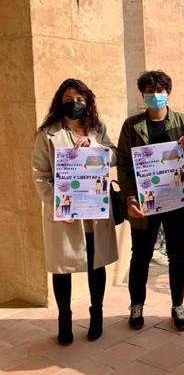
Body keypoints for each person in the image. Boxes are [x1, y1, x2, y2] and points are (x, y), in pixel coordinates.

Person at [32, 78, 119, 345]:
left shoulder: (96, 128)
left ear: (88, 102)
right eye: (69, 99)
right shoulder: (47, 133)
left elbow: (113, 155)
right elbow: (39, 174)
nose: (75, 104)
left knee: (97, 263)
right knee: (62, 268)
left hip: (94, 211)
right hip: (66, 214)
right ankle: (65, 320)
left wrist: (93, 147)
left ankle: (96, 316)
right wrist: (57, 202)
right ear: (60, 101)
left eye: (80, 100)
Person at [117, 70, 184, 332]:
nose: (155, 95)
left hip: (176, 201)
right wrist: (130, 197)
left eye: (160, 90)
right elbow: (123, 164)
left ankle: (178, 305)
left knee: (178, 255)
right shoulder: (131, 125)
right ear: (143, 94)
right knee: (139, 256)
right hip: (145, 203)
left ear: (168, 92)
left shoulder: (183, 121)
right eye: (150, 91)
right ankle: (136, 306)